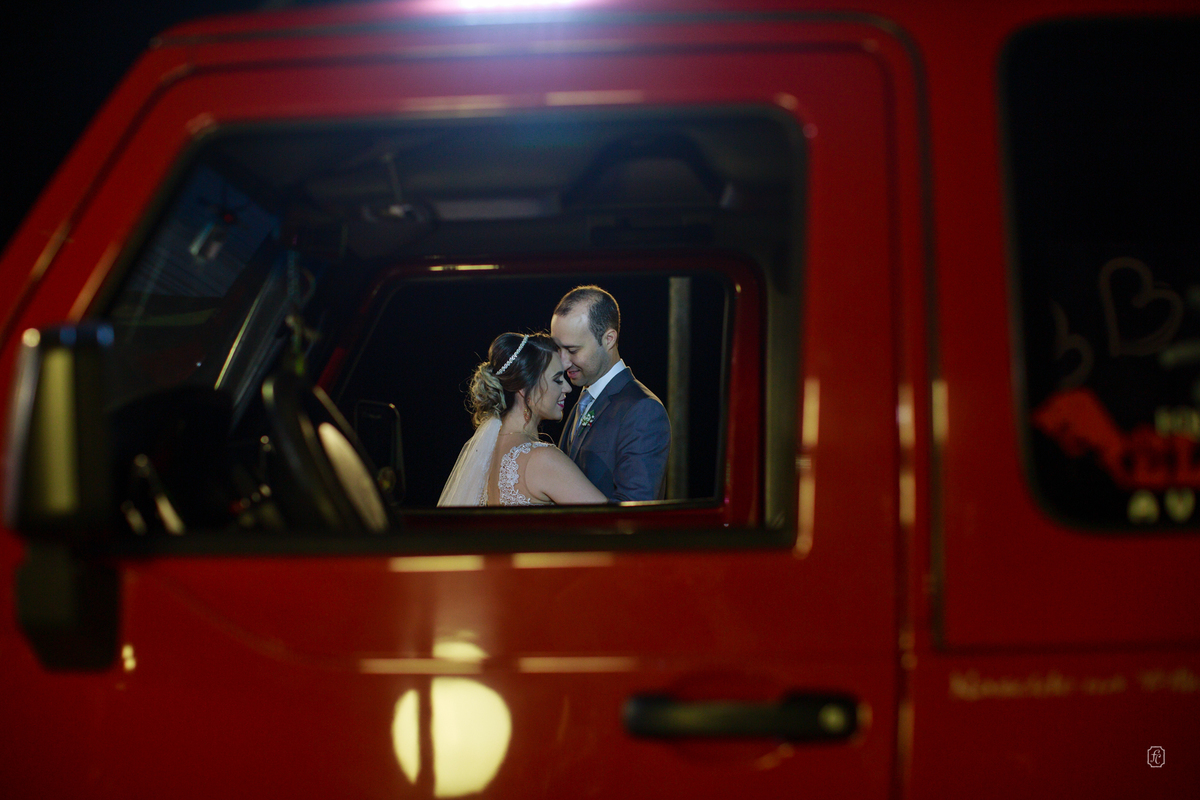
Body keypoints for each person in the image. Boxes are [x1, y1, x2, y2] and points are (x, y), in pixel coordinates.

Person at [438, 332, 608, 506]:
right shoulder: (542, 460)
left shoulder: (484, 454)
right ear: (524, 387)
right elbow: (609, 518)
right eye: (557, 380)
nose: (567, 388)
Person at [551, 285, 671, 501]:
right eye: (558, 349)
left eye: (572, 350)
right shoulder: (584, 397)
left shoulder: (643, 410)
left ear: (609, 339)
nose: (563, 361)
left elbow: (635, 507)